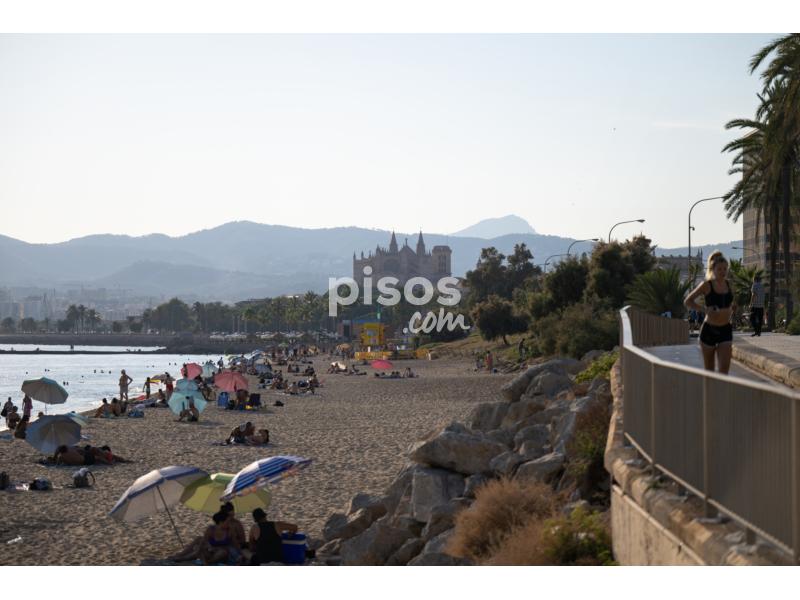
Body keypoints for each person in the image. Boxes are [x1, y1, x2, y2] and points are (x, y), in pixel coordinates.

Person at [684, 251, 737, 374]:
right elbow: (688, 301)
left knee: (724, 371)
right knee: (710, 372)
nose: (723, 272)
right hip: (709, 330)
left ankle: (721, 387)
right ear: (713, 269)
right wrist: (704, 309)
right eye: (719, 269)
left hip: (725, 330)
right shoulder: (706, 285)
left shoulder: (729, 284)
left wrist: (733, 308)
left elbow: (731, 303)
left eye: (725, 269)